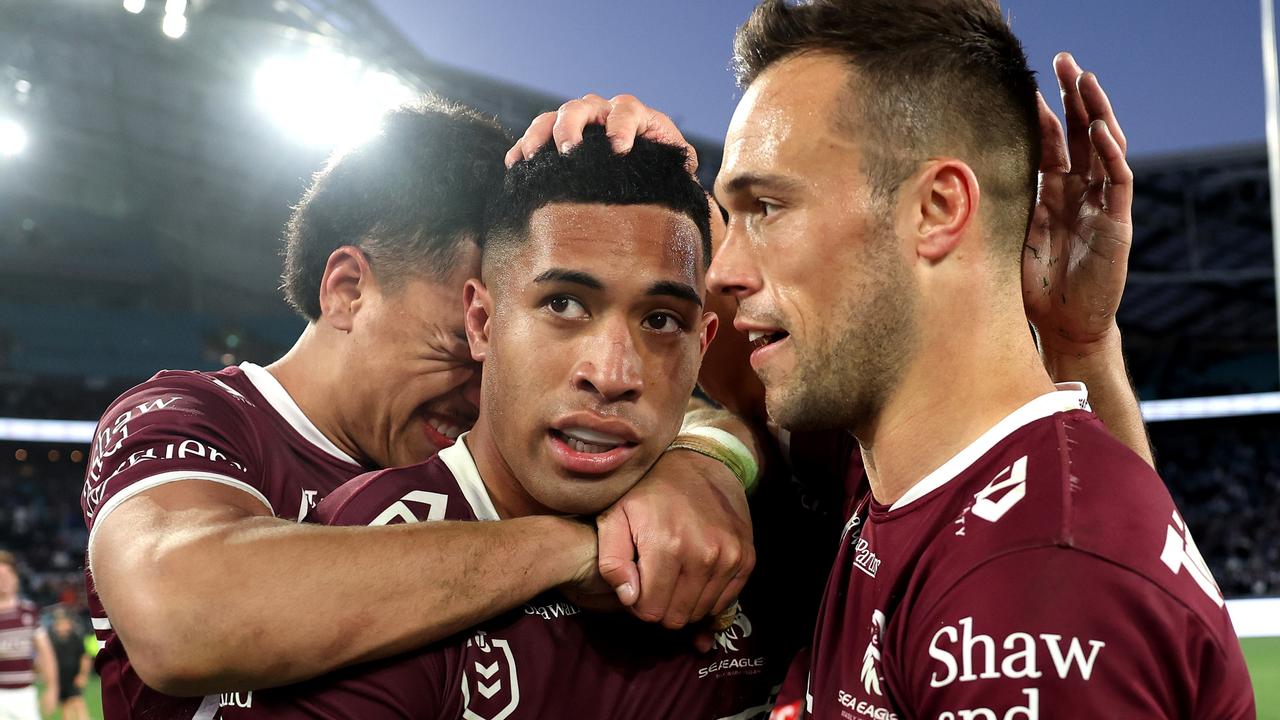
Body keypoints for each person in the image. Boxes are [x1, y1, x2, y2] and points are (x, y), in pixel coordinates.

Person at [82, 100, 757, 718]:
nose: (486, 388)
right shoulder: (190, 415)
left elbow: (722, 402)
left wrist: (704, 462)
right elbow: (183, 614)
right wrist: (573, 548)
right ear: (348, 290)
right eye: (458, 346)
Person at [707, 1, 1250, 717]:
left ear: (936, 208)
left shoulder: (1031, 604)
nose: (723, 269)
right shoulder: (895, 463)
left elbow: (1067, 544)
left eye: (767, 208)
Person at [0, 551, 57, 720]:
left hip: (25, 694)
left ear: (15, 578)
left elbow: (45, 652)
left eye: (7, 574)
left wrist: (52, 687)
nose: (4, 580)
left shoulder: (29, 611)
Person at [47, 608, 92, 720]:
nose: (61, 626)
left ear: (69, 624)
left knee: (77, 701)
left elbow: (85, 657)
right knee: (64, 705)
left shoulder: (76, 638)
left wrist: (83, 675)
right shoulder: (52, 639)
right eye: (59, 623)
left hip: (74, 676)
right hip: (60, 678)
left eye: (64, 623)